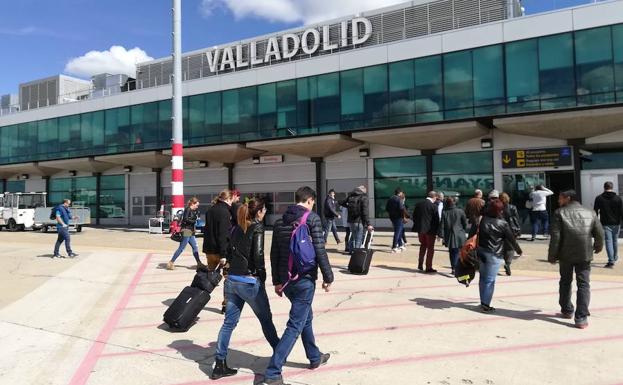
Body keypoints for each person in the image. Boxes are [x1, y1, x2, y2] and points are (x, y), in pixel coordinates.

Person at [261, 186, 334, 385]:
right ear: (309, 200)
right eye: (313, 202)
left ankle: (314, 356)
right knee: (295, 324)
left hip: (286, 280)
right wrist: (328, 277)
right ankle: (273, 371)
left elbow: (274, 253)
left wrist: (277, 281)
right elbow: (319, 249)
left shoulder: (279, 221)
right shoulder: (312, 219)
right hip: (304, 279)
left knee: (305, 318)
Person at [211, 198, 280, 380]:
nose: (265, 212)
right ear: (259, 212)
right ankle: (280, 353)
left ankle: (219, 364)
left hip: (232, 279)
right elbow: (258, 254)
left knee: (228, 323)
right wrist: (262, 275)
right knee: (266, 319)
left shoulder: (237, 227)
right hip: (248, 281)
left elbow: (228, 249)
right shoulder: (257, 226)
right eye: (264, 210)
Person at [549, 190, 604, 329]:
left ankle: (567, 310)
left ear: (568, 198)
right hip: (584, 253)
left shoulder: (559, 213)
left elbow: (556, 237)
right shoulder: (590, 212)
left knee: (565, 282)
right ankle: (581, 317)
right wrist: (598, 246)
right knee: (584, 284)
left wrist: (552, 255)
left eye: (560, 198)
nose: (558, 201)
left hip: (565, 254)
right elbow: (599, 232)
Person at [477, 199, 523, 313]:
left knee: (483, 278)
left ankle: (483, 302)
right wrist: (519, 250)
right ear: (500, 210)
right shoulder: (502, 223)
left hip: (481, 250)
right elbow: (511, 239)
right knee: (489, 280)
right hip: (494, 253)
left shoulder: (482, 219)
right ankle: (485, 305)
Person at [203, 189, 234, 314]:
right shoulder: (225, 212)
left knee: (208, 279)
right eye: (231, 200)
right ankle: (226, 305)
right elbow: (223, 234)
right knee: (228, 278)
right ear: (228, 199)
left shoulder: (210, 210)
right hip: (221, 251)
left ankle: (198, 299)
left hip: (209, 250)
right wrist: (223, 254)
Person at [167, 197, 204, 270]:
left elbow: (193, 218)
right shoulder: (188, 209)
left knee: (195, 247)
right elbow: (185, 219)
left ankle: (199, 263)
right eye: (196, 205)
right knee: (181, 248)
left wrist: (196, 218)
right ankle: (171, 263)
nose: (197, 207)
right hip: (186, 230)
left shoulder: (194, 211)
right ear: (192, 204)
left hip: (191, 231)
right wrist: (194, 221)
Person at [593, 181, 622, 268]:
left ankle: (611, 261)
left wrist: (596, 222)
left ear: (604, 187)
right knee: (614, 241)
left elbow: (595, 211)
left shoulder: (599, 198)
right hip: (617, 223)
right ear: (612, 187)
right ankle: (615, 257)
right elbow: (621, 211)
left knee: (608, 241)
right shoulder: (618, 198)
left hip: (605, 223)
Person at [438, 196, 467, 274]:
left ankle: (454, 267)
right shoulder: (460, 211)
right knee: (460, 252)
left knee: (452, 252)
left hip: (450, 235)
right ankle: (458, 267)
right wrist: (463, 229)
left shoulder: (444, 213)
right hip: (460, 234)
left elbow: (442, 225)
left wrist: (441, 235)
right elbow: (465, 223)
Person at [412, 191, 440, 273]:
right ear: (434, 197)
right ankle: (428, 267)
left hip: (420, 230)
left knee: (422, 246)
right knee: (430, 248)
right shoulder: (434, 206)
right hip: (430, 231)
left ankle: (420, 264)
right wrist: (438, 231)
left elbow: (414, 216)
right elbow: (436, 220)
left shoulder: (419, 204)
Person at [340, 185, 373, 250]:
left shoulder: (351, 196)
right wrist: (368, 224)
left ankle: (351, 251)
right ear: (363, 191)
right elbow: (365, 212)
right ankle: (355, 253)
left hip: (351, 221)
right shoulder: (364, 197)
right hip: (359, 221)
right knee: (358, 239)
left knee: (353, 236)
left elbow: (341, 202)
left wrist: (348, 206)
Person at [500, 192, 521, 276]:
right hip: (511, 230)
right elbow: (517, 219)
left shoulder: (498, 207)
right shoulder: (512, 207)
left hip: (500, 229)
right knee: (510, 248)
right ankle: (507, 263)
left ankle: (505, 262)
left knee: (503, 247)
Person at [386, 188, 406, 253]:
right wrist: (404, 217)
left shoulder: (390, 198)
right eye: (401, 193)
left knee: (399, 231)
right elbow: (401, 208)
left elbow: (387, 208)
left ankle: (400, 245)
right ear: (399, 193)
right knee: (397, 232)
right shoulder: (399, 199)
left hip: (392, 217)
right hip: (399, 217)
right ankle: (394, 247)